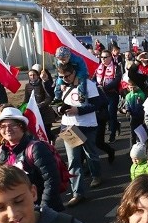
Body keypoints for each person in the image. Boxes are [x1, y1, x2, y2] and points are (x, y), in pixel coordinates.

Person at [0, 106, 64, 212]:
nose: (7, 129)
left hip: (45, 211)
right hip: (20, 211)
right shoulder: (1, 152)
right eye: (2, 126)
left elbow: (51, 181)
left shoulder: (36, 148)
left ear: (22, 127)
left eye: (13, 125)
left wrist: (42, 209)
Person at [56, 62, 105, 207]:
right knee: (73, 160)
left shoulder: (88, 84)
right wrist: (59, 108)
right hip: (69, 126)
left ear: (74, 73)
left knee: (91, 154)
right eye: (61, 77)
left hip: (87, 125)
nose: (64, 79)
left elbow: (97, 104)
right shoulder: (61, 85)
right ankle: (78, 193)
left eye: (67, 76)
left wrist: (79, 110)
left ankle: (96, 175)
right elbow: (57, 101)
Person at [95, 49, 122, 143]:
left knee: (111, 114)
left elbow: (117, 80)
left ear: (111, 57)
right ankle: (116, 125)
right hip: (100, 94)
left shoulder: (116, 67)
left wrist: (105, 88)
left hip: (111, 94)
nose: (103, 59)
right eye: (101, 57)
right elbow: (94, 78)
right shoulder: (98, 67)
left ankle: (112, 134)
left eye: (105, 57)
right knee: (103, 115)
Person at [24, 66, 57, 142]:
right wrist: (23, 107)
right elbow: (26, 99)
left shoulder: (43, 83)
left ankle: (51, 140)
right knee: (38, 131)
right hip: (35, 112)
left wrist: (40, 105)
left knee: (46, 130)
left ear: (38, 75)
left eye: (34, 75)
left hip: (45, 112)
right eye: (30, 75)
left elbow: (49, 97)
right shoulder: (27, 86)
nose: (32, 77)